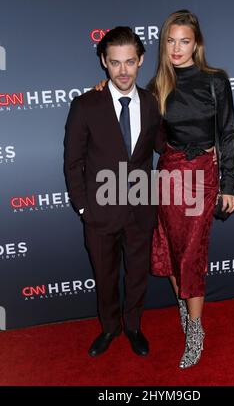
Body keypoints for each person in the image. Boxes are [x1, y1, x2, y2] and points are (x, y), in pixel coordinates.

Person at [64, 27, 165, 358]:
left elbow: (163, 146)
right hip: (99, 214)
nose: (123, 71)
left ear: (141, 61)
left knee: (137, 275)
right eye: (115, 63)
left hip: (140, 210)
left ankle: (133, 326)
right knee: (105, 279)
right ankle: (110, 327)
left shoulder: (151, 103)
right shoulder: (85, 105)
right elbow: (72, 162)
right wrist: (83, 209)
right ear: (104, 63)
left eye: (130, 62)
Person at [150, 10, 234, 369]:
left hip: (203, 174)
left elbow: (228, 133)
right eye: (170, 40)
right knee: (171, 251)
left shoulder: (215, 81)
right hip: (170, 173)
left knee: (191, 255)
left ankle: (196, 328)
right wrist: (101, 91)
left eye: (184, 40)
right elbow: (142, 129)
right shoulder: (157, 85)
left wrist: (228, 182)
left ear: (196, 43)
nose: (176, 48)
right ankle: (184, 312)